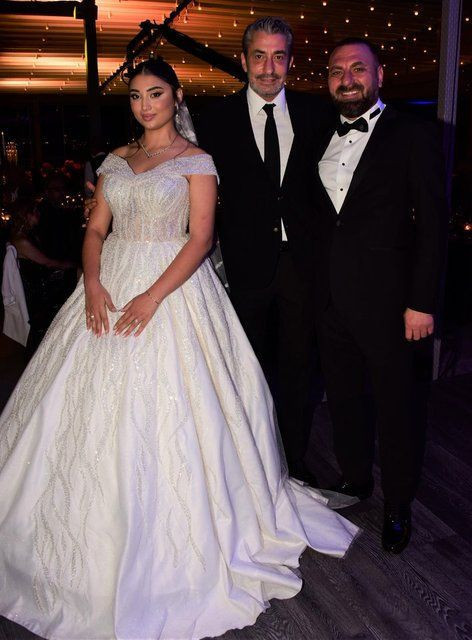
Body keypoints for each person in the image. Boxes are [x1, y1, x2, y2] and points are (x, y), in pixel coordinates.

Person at [0, 58, 357, 640]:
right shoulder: (115, 160)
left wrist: (151, 297)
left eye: (156, 94)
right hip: (108, 282)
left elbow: (201, 238)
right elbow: (96, 230)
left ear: (176, 96)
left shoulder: (197, 161)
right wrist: (93, 283)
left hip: (173, 289)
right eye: (136, 96)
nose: (145, 106)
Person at [314, 37, 447, 554]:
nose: (347, 79)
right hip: (330, 298)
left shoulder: (414, 133)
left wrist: (422, 302)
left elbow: (433, 225)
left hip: (393, 304)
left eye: (358, 69)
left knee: (398, 407)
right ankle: (355, 480)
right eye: (337, 71)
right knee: (345, 397)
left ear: (379, 75)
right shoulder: (318, 133)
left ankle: (398, 503)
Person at [196, 17, 325, 487]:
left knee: (298, 370)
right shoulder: (214, 120)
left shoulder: (317, 113)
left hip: (303, 265)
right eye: (259, 56)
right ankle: (247, 463)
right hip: (243, 265)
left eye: (278, 57)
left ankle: (293, 462)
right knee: (243, 368)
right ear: (244, 60)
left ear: (290, 61)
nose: (269, 68)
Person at [8, 196, 77, 355]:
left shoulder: (28, 236)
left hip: (39, 283)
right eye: (34, 212)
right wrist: (71, 265)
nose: (38, 214)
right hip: (36, 291)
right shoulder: (21, 241)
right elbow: (47, 262)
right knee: (74, 279)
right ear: (25, 215)